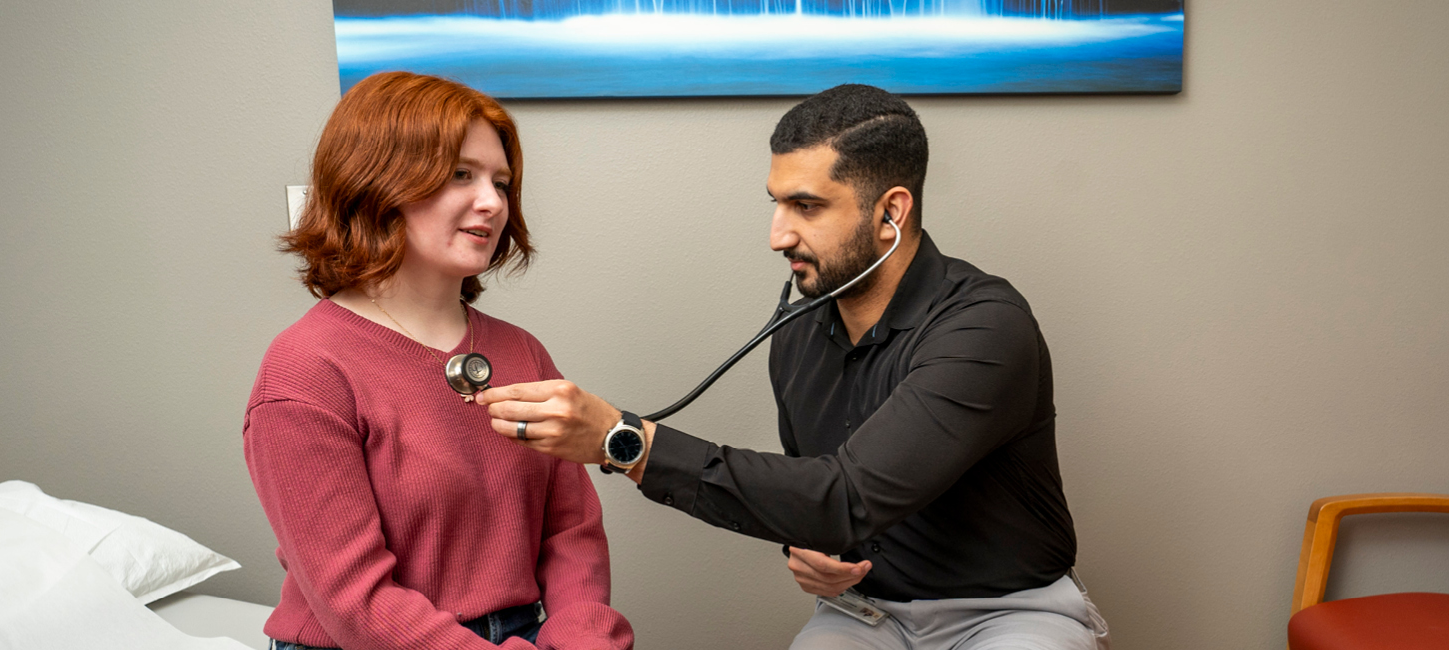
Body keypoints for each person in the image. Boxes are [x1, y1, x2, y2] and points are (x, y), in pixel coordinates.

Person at [474, 84, 1107, 649]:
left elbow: (847, 497)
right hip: (865, 613)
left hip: (1004, 614)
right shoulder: (798, 334)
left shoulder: (985, 327)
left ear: (891, 212)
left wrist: (629, 442)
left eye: (806, 207)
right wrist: (805, 547)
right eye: (777, 203)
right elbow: (816, 496)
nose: (777, 235)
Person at [244, 71, 633, 650]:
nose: (492, 202)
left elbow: (571, 530)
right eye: (460, 175)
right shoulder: (306, 370)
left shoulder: (520, 350)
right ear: (376, 180)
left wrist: (584, 639)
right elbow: (357, 601)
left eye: (501, 182)